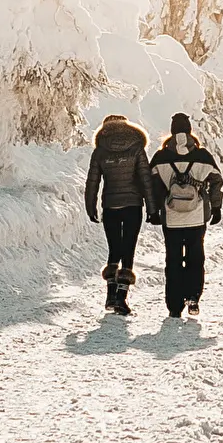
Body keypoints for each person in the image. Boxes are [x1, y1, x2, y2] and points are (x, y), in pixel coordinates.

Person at [147, 110, 223, 318]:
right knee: (195, 258)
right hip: (196, 217)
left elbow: (150, 185)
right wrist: (216, 207)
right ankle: (193, 298)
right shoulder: (203, 156)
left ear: (171, 133)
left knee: (172, 259)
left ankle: (174, 306)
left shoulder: (161, 158)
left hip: (171, 218)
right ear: (190, 132)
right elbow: (216, 181)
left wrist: (153, 211)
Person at [84, 108, 151, 313]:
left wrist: (90, 206)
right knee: (128, 249)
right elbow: (145, 179)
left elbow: (92, 182)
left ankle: (110, 297)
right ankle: (121, 298)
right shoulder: (137, 148)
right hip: (132, 206)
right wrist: (152, 207)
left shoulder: (100, 151)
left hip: (110, 205)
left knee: (114, 249)